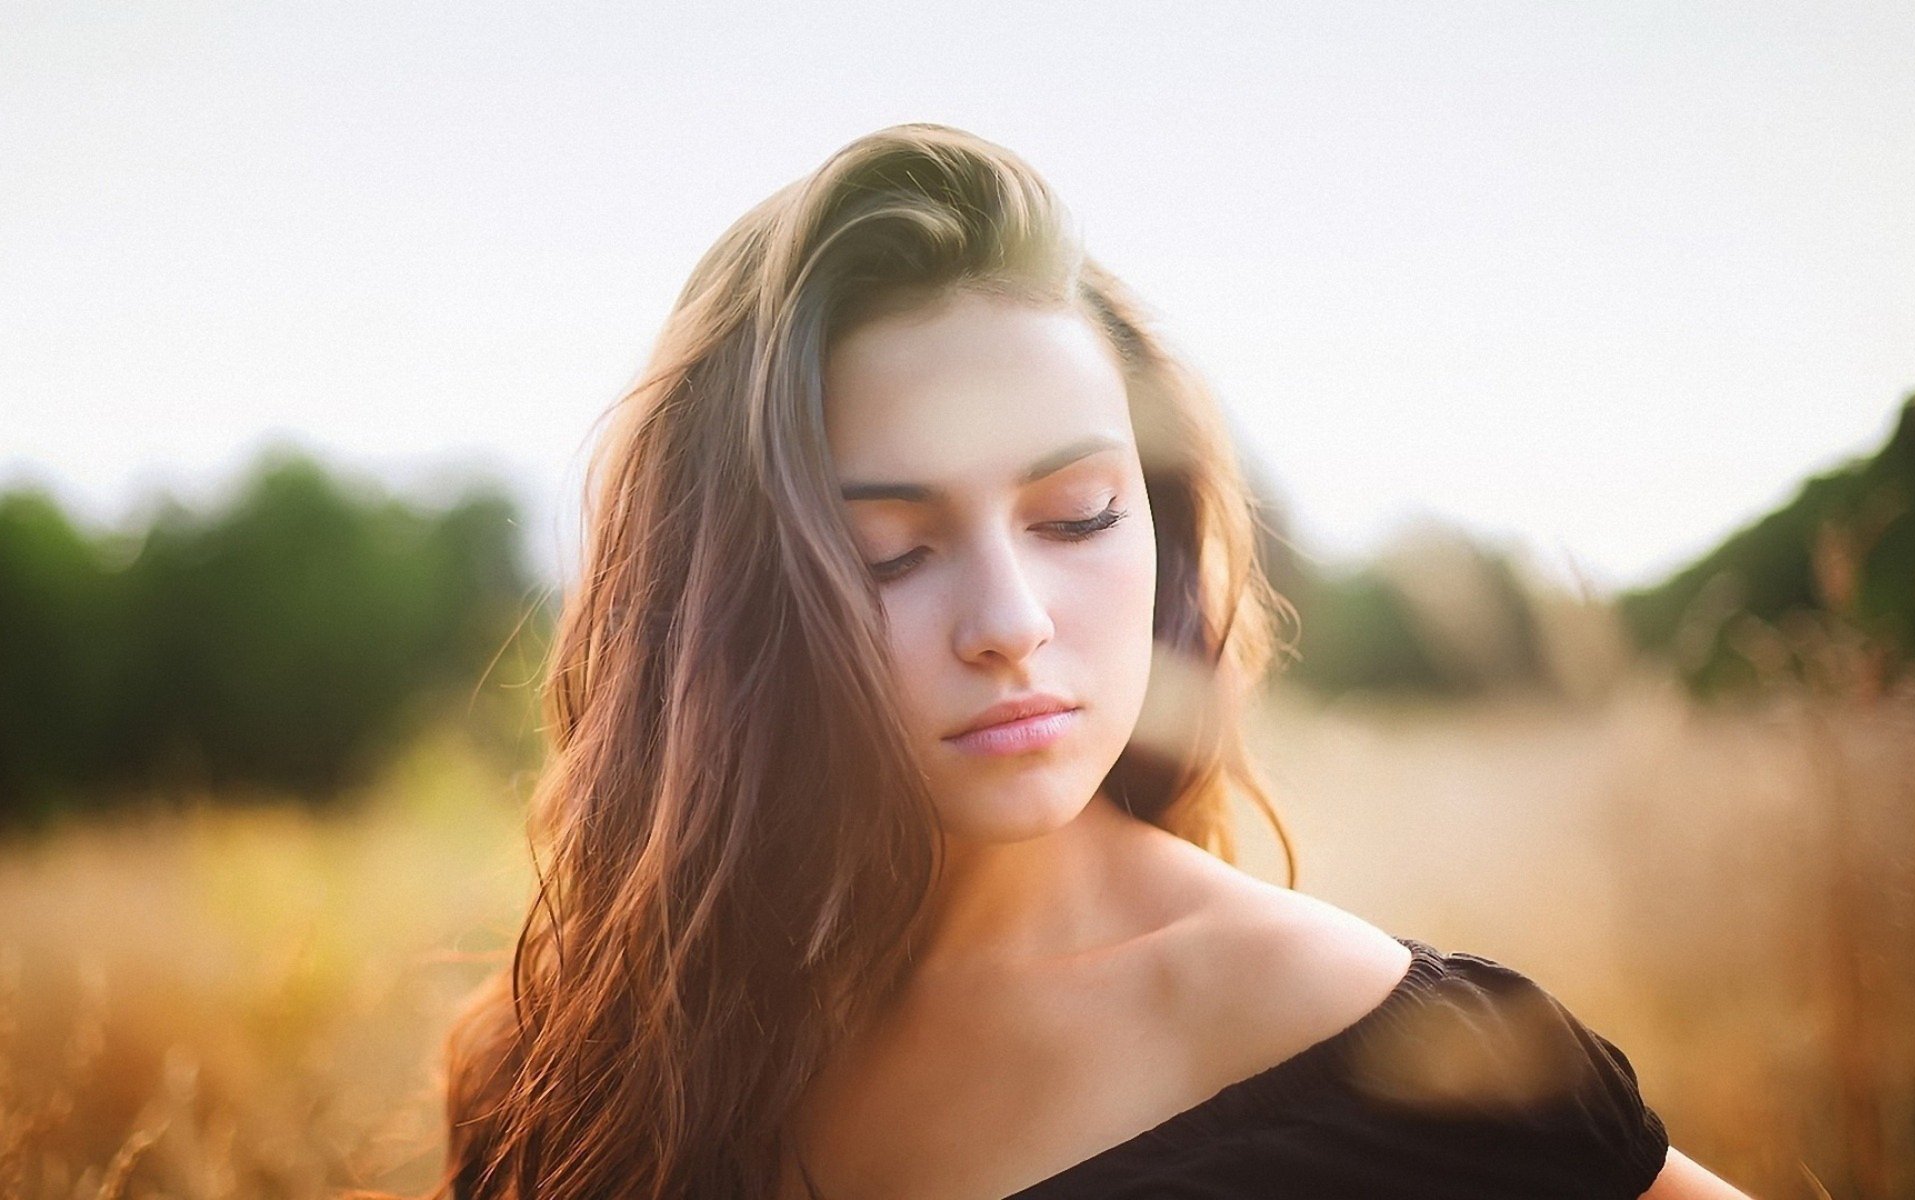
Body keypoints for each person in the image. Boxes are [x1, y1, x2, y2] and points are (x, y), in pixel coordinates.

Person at [430, 124, 1749, 1199]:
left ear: (1163, 533)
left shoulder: (1381, 1042)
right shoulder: (610, 1044)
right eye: (888, 550)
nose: (1010, 619)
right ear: (728, 604)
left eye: (1075, 519)